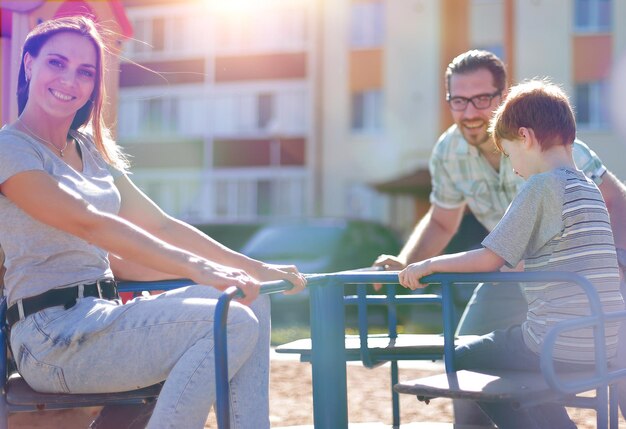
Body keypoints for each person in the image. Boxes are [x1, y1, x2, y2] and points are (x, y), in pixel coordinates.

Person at [0, 16, 306, 429]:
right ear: (28, 65)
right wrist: (198, 269)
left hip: (102, 317)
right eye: (56, 63)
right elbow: (89, 223)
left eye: (85, 72)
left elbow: (160, 225)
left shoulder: (88, 151)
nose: (69, 80)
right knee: (230, 321)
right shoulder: (11, 148)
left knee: (251, 296)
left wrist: (250, 267)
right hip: (50, 336)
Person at [374, 49, 626, 425]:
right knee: (491, 351)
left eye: (481, 99)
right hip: (529, 277)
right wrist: (408, 262)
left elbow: (489, 257)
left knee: (463, 356)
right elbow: (443, 222)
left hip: (545, 275)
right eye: (459, 101)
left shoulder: (542, 176)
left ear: (505, 102)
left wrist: (616, 261)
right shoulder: (453, 151)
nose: (471, 110)